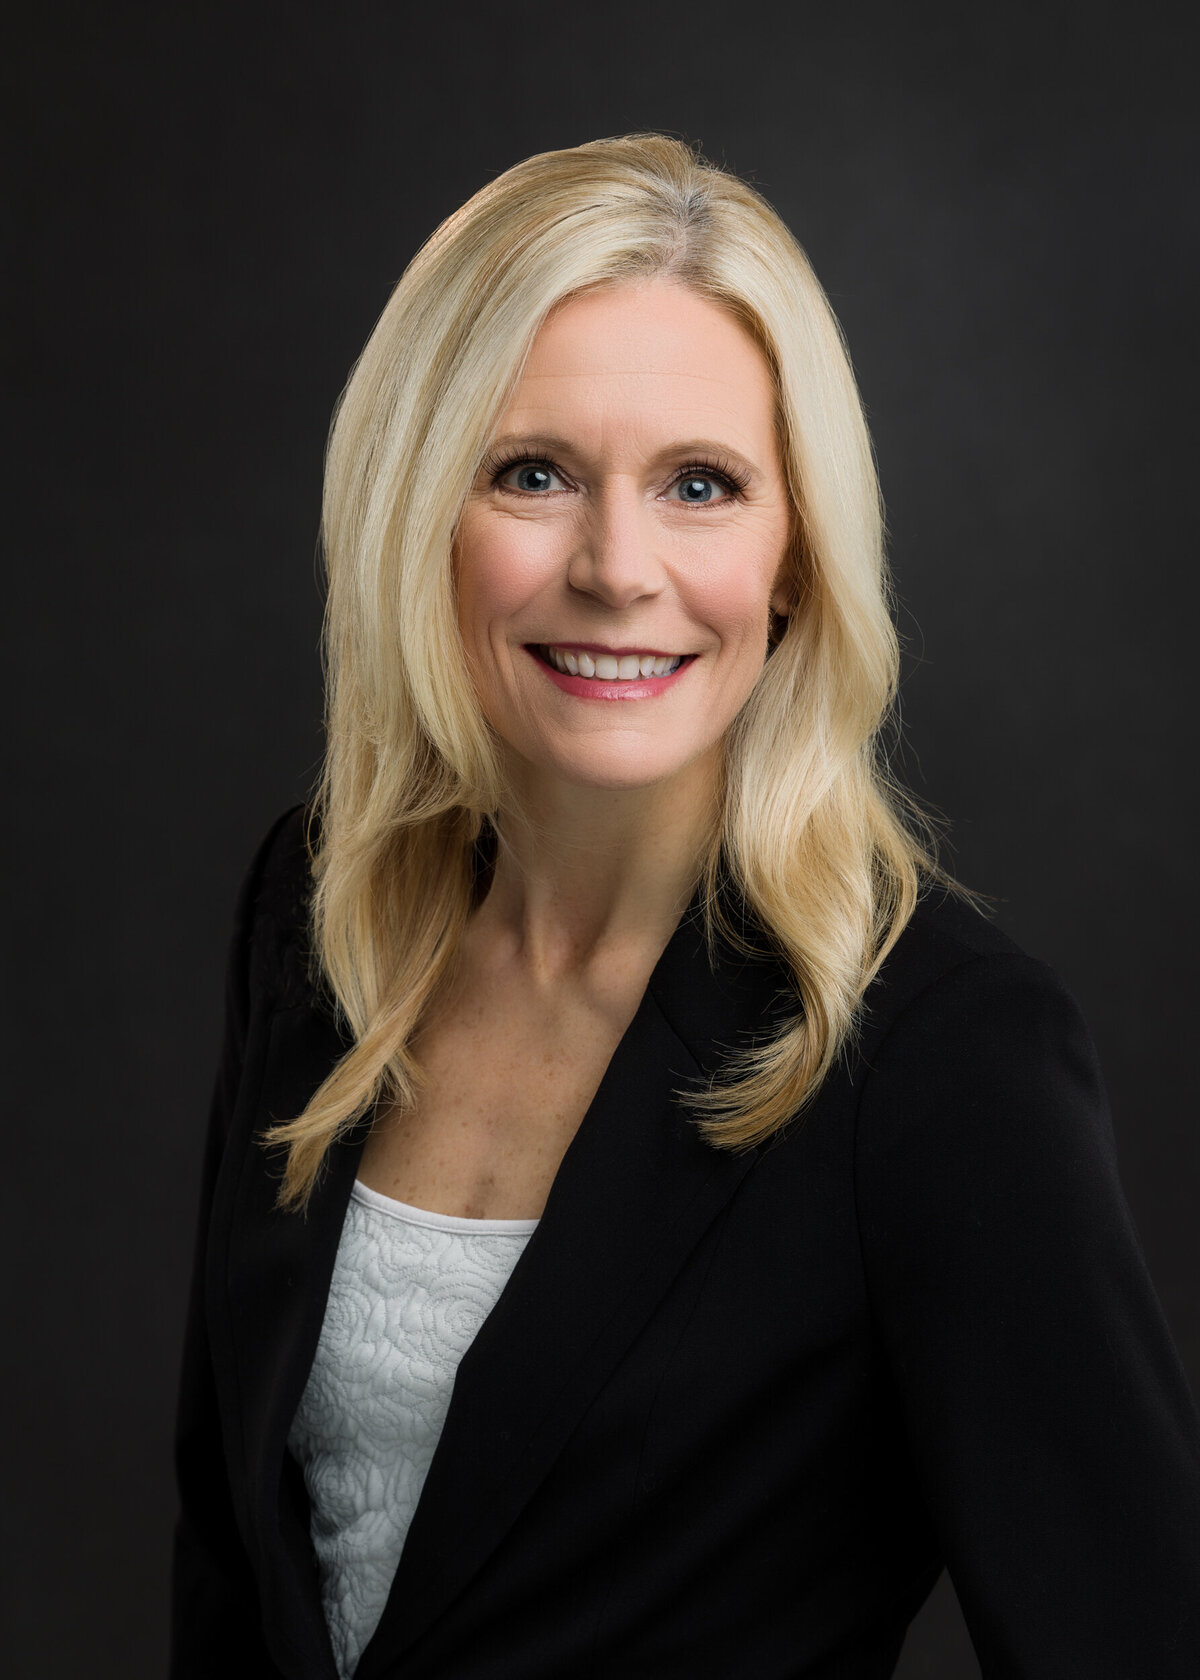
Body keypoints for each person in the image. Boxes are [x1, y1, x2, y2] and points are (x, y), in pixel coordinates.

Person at [170, 134, 1200, 1680]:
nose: (618, 567)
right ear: (412, 513)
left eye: (702, 486)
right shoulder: (318, 913)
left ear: (795, 559)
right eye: (533, 474)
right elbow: (230, 1570)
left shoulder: (940, 1057)